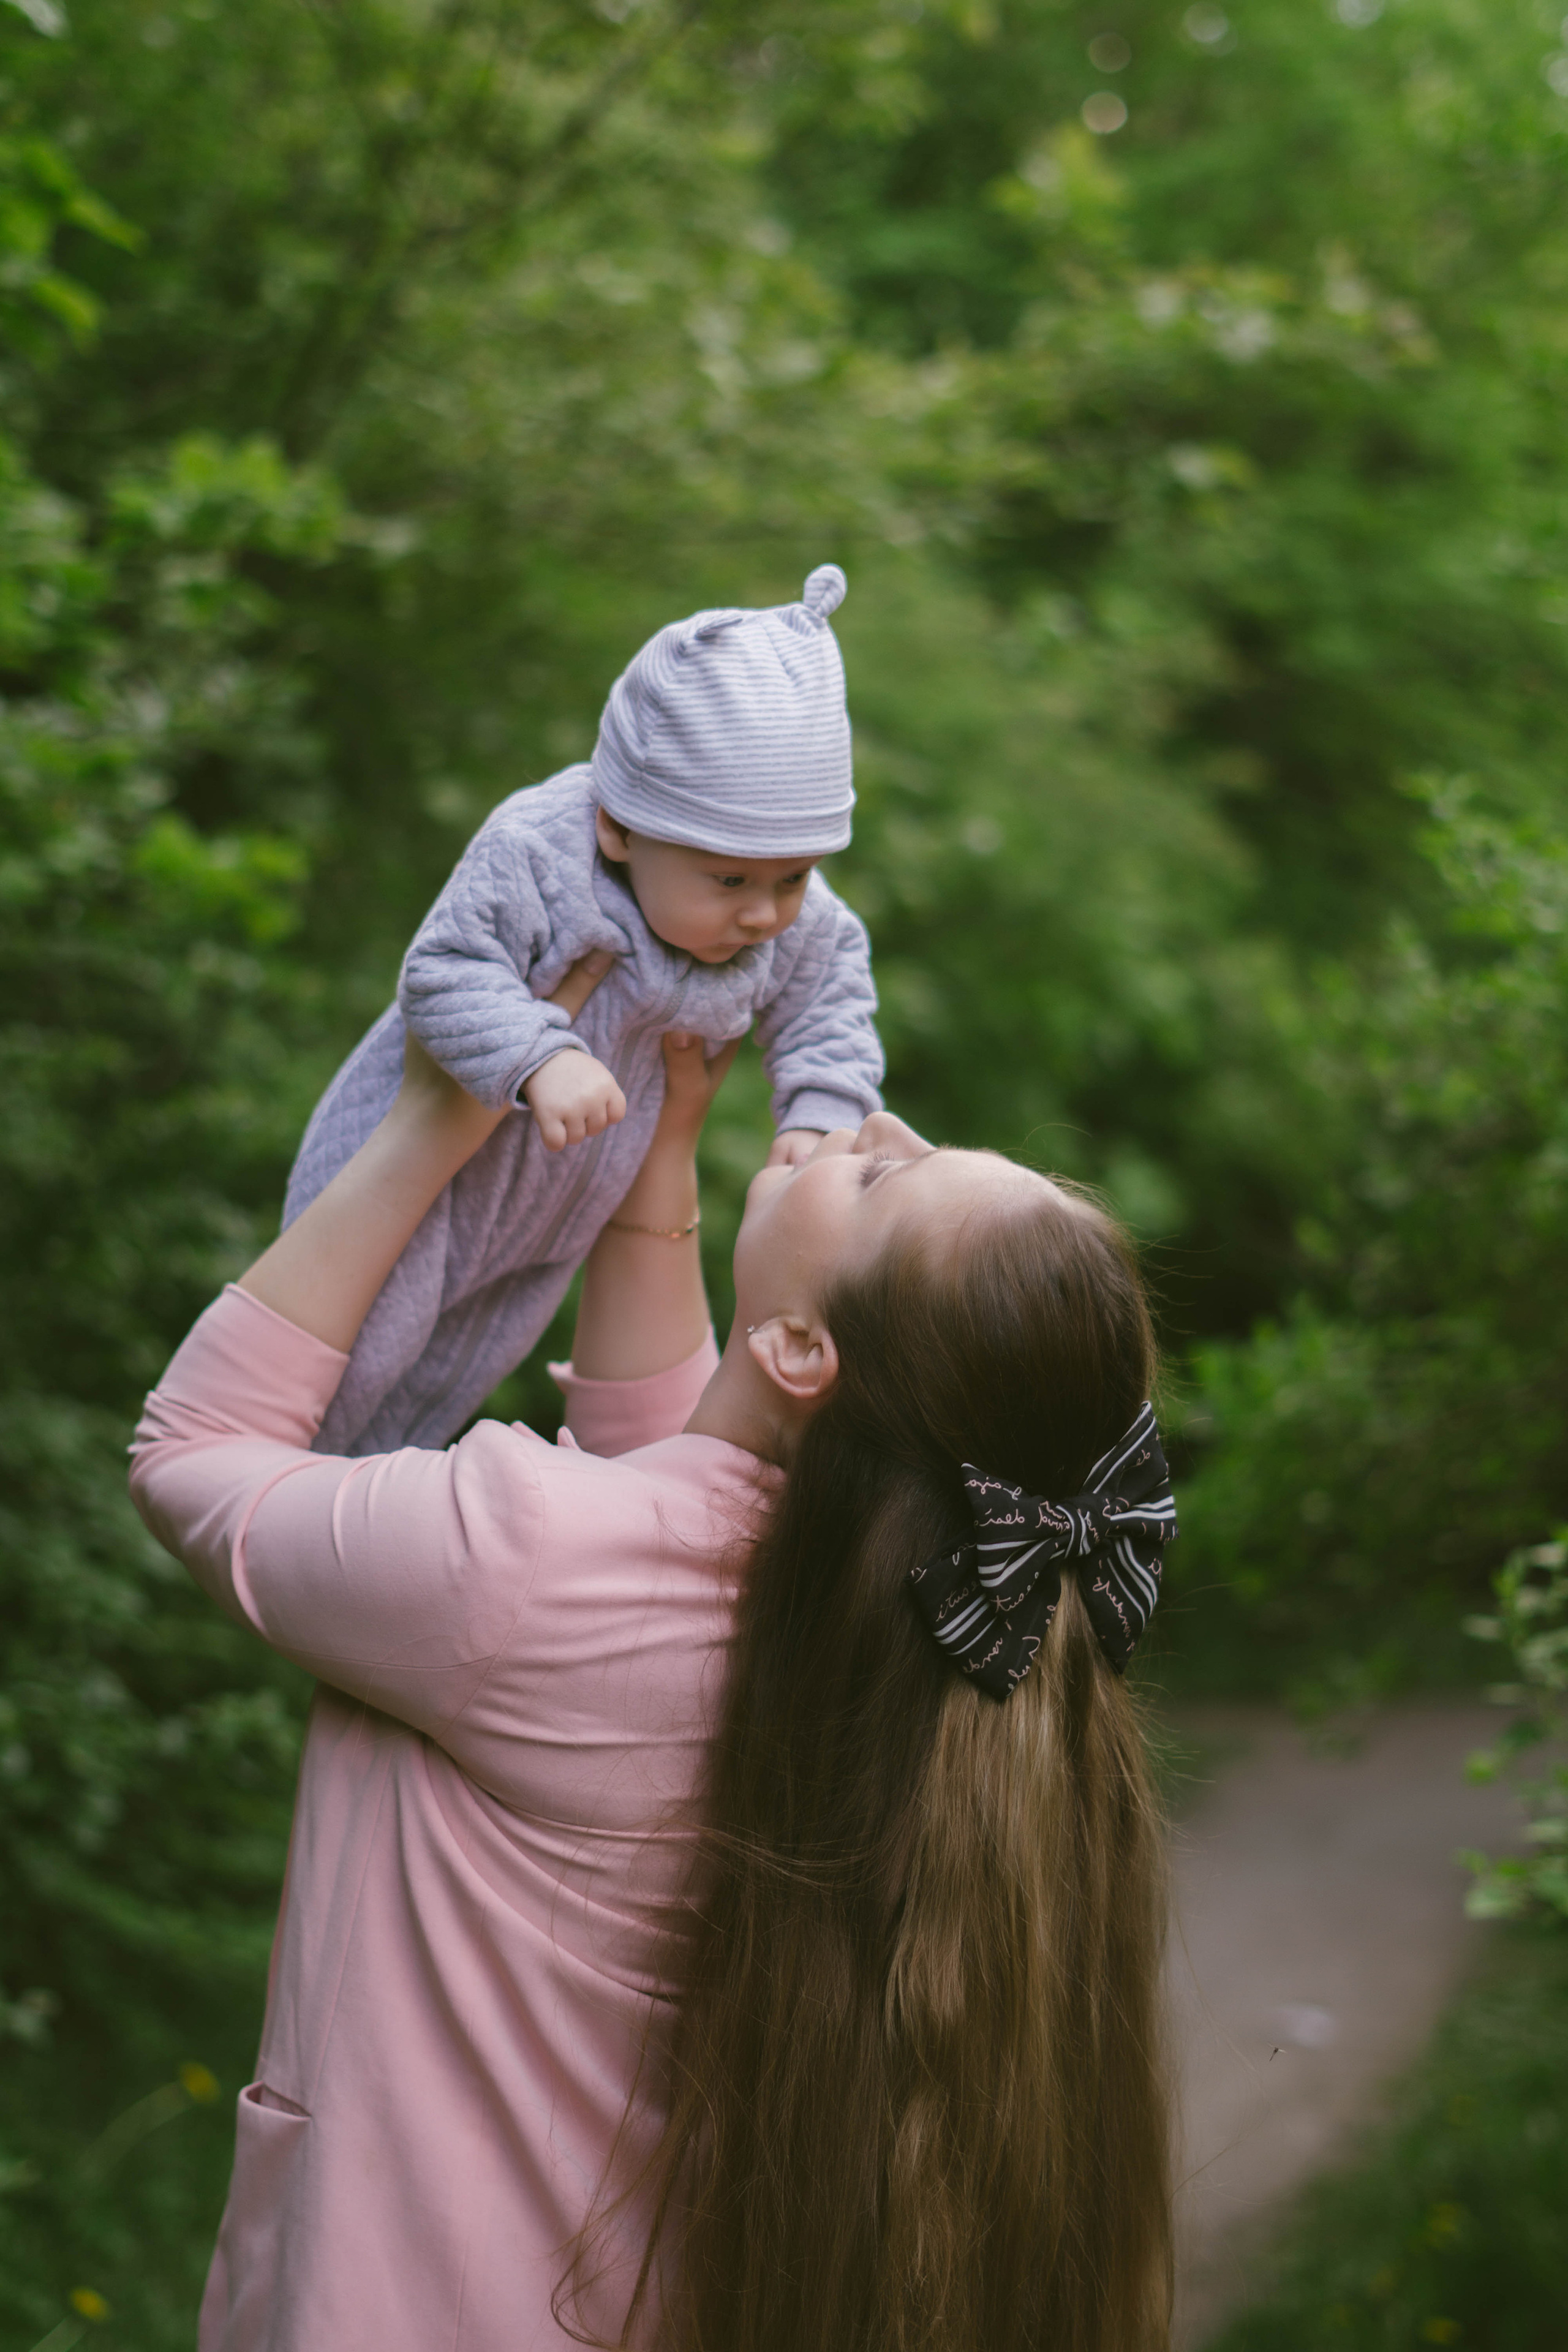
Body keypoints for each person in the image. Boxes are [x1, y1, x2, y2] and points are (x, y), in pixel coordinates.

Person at [129, 957, 1175, 2352]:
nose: (882, 1130)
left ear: (803, 1349)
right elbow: (667, 1465)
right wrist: (652, 1164)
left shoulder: (521, 1560)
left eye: (881, 1186)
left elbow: (192, 1458)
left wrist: (434, 1119)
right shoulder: (871, 1609)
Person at [283, 563, 883, 1458]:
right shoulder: (541, 853)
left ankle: (339, 1528)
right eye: (730, 880)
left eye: (792, 876)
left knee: (442, 1387)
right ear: (618, 829)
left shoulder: (781, 911)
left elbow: (829, 992)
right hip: (421, 1182)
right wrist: (541, 1055)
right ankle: (264, 1490)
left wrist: (824, 1107)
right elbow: (444, 969)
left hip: (554, 1213)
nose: (765, 912)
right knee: (339, 1371)